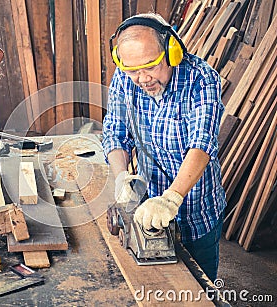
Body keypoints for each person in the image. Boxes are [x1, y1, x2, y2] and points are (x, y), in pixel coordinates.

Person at [102, 12, 226, 282]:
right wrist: (121, 177)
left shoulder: (202, 80)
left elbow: (201, 144)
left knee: (198, 290)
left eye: (150, 66)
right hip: (146, 211)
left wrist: (172, 198)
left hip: (196, 212)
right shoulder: (126, 78)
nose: (142, 78)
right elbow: (115, 132)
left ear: (172, 52)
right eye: (133, 70)